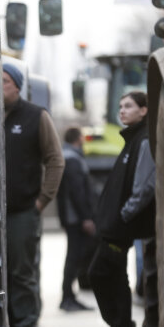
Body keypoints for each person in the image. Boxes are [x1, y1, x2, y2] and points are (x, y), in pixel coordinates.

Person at [2, 61, 64, 327]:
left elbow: (55, 159)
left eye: (4, 81)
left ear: (17, 85)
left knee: (21, 270)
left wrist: (42, 200)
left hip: (22, 210)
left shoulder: (35, 116)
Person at [89, 91, 156, 327]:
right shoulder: (131, 140)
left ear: (144, 110)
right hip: (114, 225)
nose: (122, 110)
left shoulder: (144, 140)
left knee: (101, 273)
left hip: (120, 227)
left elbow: (144, 187)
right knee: (115, 275)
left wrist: (124, 214)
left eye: (128, 106)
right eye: (120, 106)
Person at [57, 126, 96, 312]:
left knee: (74, 256)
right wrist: (86, 218)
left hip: (73, 217)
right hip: (75, 218)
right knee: (74, 256)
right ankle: (67, 298)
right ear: (78, 138)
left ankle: (69, 296)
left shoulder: (68, 156)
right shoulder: (72, 159)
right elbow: (77, 192)